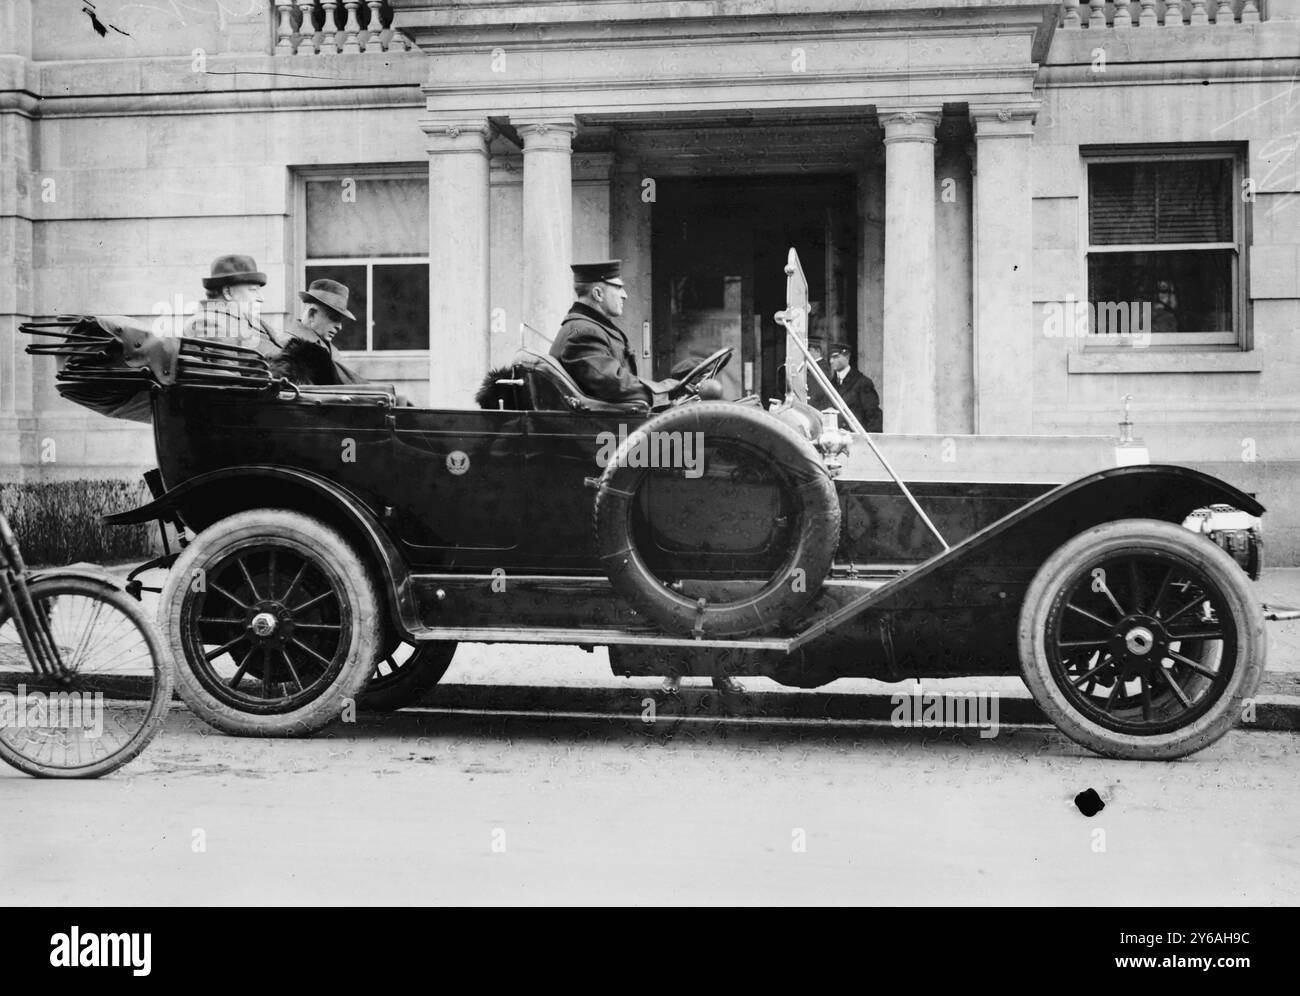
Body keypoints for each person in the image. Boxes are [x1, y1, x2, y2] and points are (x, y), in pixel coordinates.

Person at [550, 260, 652, 407]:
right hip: (603, 426)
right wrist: (665, 392)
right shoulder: (583, 332)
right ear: (598, 294)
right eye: (618, 287)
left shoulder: (588, 327)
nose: (625, 295)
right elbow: (615, 385)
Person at [270, 278, 366, 386]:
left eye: (340, 320)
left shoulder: (332, 350)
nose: (340, 327)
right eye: (334, 318)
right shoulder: (284, 346)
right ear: (312, 314)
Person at [183, 254, 285, 355]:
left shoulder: (246, 319)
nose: (261, 299)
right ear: (227, 292)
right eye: (253, 290)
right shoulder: (207, 323)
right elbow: (222, 369)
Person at [827, 342, 882, 433]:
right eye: (830, 357)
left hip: (857, 438)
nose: (831, 361)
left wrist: (873, 440)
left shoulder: (863, 383)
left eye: (835, 357)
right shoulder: (830, 384)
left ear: (847, 356)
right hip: (835, 440)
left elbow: (873, 416)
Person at [806, 338, 834, 410]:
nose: (807, 353)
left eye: (809, 350)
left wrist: (808, 406)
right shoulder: (816, 366)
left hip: (816, 408)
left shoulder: (821, 368)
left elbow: (816, 391)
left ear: (817, 351)